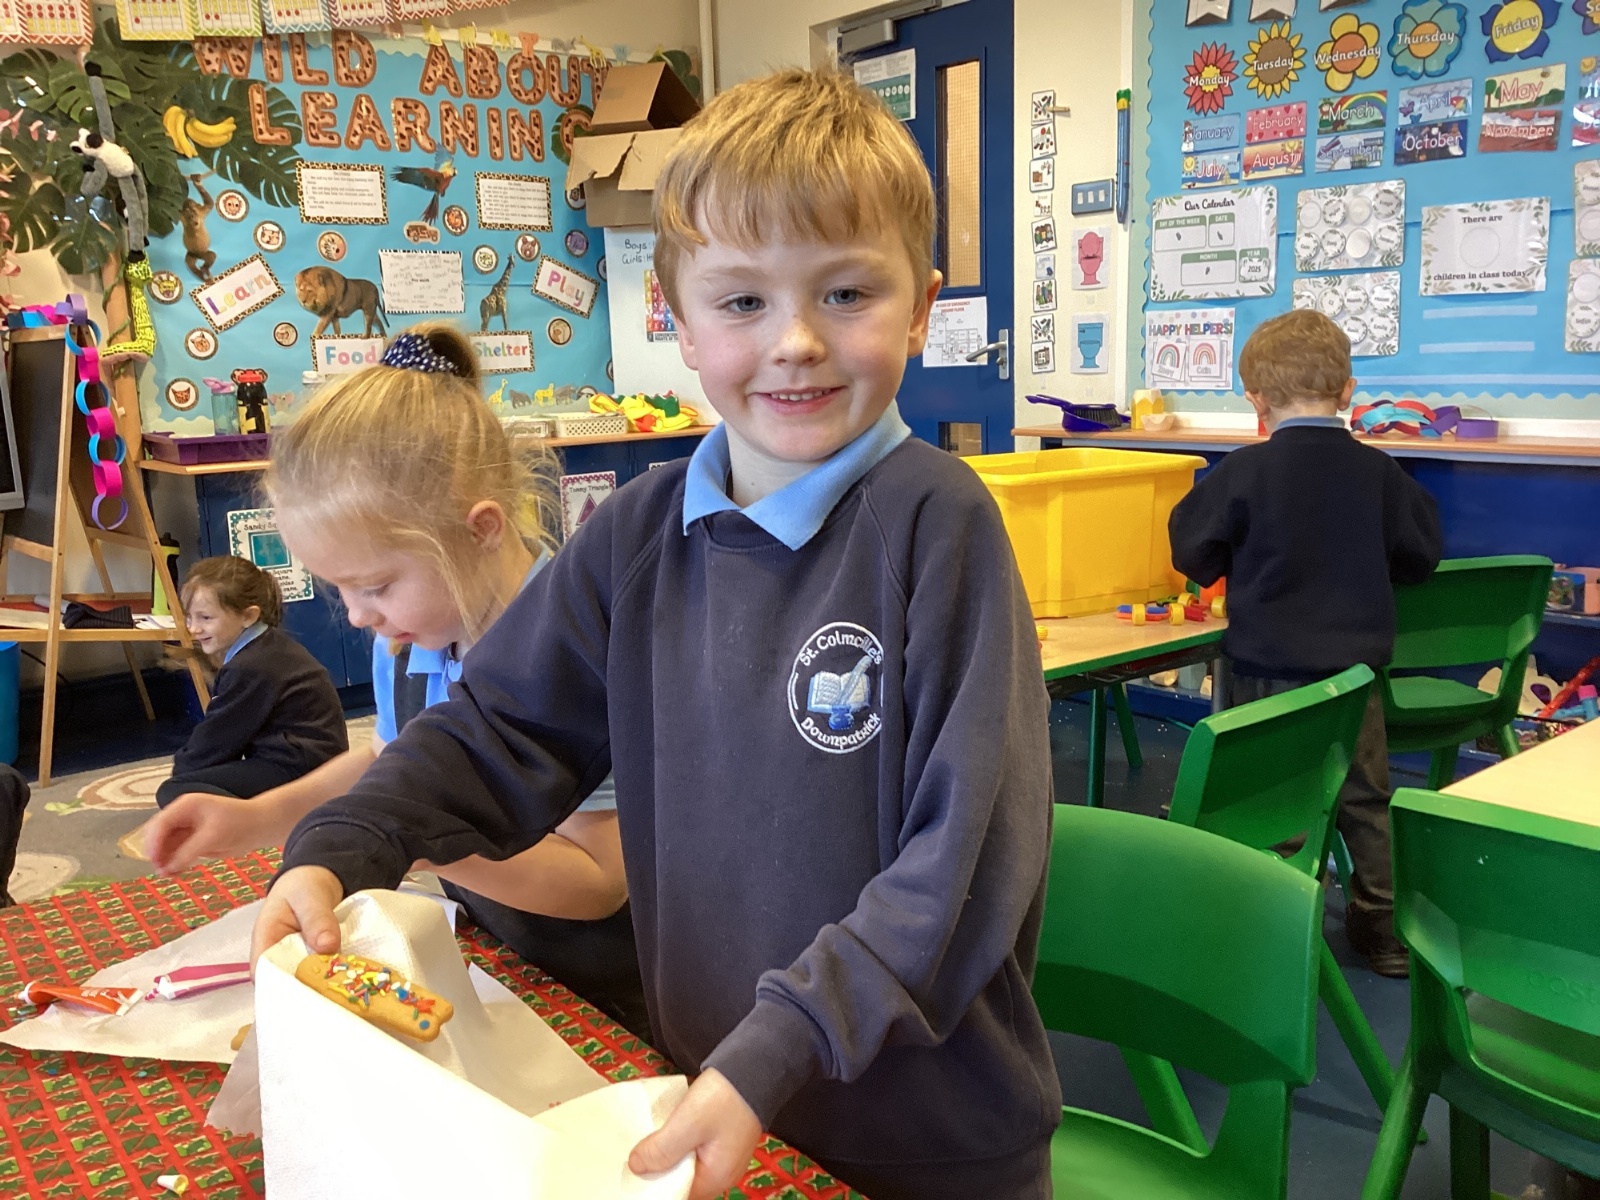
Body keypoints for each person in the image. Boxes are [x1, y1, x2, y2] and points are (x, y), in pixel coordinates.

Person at [252, 70, 1059, 1200]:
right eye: (741, 303)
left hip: (920, 1136)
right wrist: (349, 840)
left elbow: (963, 863)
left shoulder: (939, 524)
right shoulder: (637, 532)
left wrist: (783, 1041)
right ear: (674, 319)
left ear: (920, 308)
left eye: (845, 293)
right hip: (711, 1098)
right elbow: (498, 728)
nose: (795, 342)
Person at [145, 325, 647, 1037]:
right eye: (339, 590)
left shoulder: (573, 657)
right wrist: (256, 817)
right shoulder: (408, 639)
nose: (357, 616)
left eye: (376, 585)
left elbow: (598, 883)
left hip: (606, 994)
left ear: (481, 530)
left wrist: (412, 836)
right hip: (498, 962)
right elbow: (390, 766)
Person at [1168, 308, 1442, 978]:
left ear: (1256, 400)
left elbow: (1191, 550)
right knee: (1366, 801)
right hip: (1354, 679)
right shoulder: (1380, 474)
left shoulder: (1243, 472)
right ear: (1347, 391)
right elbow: (1421, 555)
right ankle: (1384, 931)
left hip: (1267, 673)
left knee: (1272, 803)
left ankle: (1274, 928)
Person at [156, 557, 347, 810]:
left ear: (248, 616)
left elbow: (215, 740)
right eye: (189, 617)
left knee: (176, 792)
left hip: (301, 769)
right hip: (313, 763)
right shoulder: (265, 648)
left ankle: (271, 816)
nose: (193, 629)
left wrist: (183, 772)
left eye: (205, 618)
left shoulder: (250, 667)